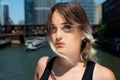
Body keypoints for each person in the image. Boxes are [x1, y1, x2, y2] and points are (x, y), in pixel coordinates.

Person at [34, 2, 116, 80]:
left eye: (67, 27)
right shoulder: (43, 65)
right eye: (53, 28)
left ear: (83, 33)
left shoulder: (103, 76)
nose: (57, 36)